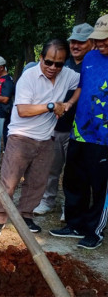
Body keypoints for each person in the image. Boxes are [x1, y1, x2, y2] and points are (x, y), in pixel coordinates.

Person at [0, 39, 80, 237]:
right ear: (41, 58)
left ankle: (26, 216)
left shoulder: (68, 75)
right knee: (9, 183)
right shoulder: (28, 77)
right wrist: (51, 106)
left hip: (46, 140)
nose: (53, 67)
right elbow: (23, 110)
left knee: (37, 182)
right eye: (49, 62)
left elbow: (82, 84)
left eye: (59, 64)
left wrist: (69, 103)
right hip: (20, 138)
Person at [49, 15, 108, 250]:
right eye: (99, 40)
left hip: (103, 138)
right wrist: (70, 104)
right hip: (80, 131)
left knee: (100, 186)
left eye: (106, 40)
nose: (101, 44)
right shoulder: (91, 57)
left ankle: (94, 230)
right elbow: (82, 86)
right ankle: (75, 224)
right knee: (74, 180)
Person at [33, 23, 94, 217]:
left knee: (75, 172)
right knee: (52, 168)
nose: (76, 45)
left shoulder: (93, 64)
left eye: (81, 42)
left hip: (81, 129)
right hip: (55, 126)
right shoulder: (61, 62)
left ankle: (71, 207)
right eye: (73, 41)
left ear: (92, 43)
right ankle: (47, 200)